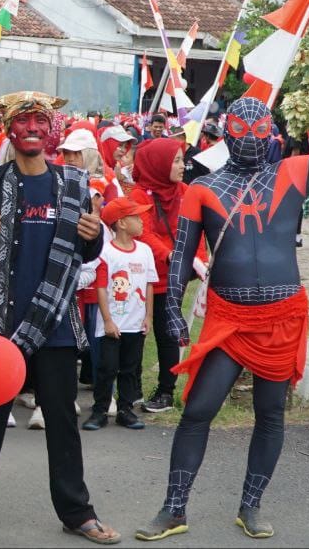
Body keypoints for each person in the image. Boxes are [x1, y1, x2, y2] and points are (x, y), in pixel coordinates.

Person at [135, 94, 309, 542]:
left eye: (260, 130)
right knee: (198, 410)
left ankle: (251, 505)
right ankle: (173, 509)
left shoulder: (294, 172)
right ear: (227, 133)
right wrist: (171, 312)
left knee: (270, 414)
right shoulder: (202, 189)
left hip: (283, 313)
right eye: (243, 131)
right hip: (228, 317)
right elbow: (180, 260)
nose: (251, 140)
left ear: (273, 134)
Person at [0, 91, 117, 548]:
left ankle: (77, 512)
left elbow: (86, 251)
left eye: (41, 121)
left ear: (53, 128)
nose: (33, 129)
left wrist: (95, 237)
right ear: (8, 130)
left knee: (62, 420)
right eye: (23, 122)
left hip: (57, 326)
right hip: (0, 327)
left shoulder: (76, 184)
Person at [130, 138, 193, 414]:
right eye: (176, 160)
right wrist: (170, 254)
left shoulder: (186, 192)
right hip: (141, 277)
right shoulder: (139, 196)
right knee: (135, 333)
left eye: (182, 159)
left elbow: (196, 231)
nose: (182, 166)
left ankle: (166, 391)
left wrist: (199, 260)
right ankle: (129, 393)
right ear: (158, 163)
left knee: (168, 334)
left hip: (171, 278)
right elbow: (143, 233)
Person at [81, 198, 155, 432]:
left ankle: (126, 409)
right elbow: (101, 287)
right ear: (121, 223)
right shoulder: (106, 252)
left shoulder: (145, 251)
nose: (142, 221)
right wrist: (107, 320)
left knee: (130, 368)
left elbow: (149, 285)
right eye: (136, 216)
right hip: (112, 325)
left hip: (135, 324)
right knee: (107, 368)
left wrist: (148, 316)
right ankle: (100, 409)